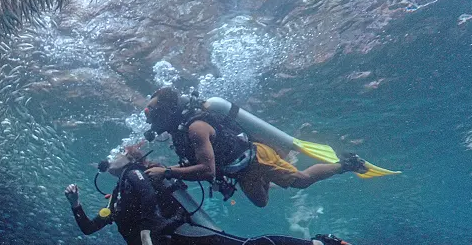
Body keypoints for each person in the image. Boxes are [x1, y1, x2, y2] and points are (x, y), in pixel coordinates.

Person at [65, 144, 421, 245]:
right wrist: (76, 204)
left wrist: (144, 238)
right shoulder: (115, 199)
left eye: (115, 154)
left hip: (188, 235)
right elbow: (88, 227)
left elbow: (146, 200)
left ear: (127, 159)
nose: (108, 159)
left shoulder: (135, 176)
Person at [139, 86, 369, 207]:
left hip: (256, 158)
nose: (151, 120)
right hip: (239, 170)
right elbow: (195, 163)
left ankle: (345, 164)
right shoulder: (179, 132)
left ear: (169, 112)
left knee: (301, 181)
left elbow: (207, 171)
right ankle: (282, 159)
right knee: (261, 202)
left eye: (153, 113)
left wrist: (167, 172)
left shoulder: (195, 128)